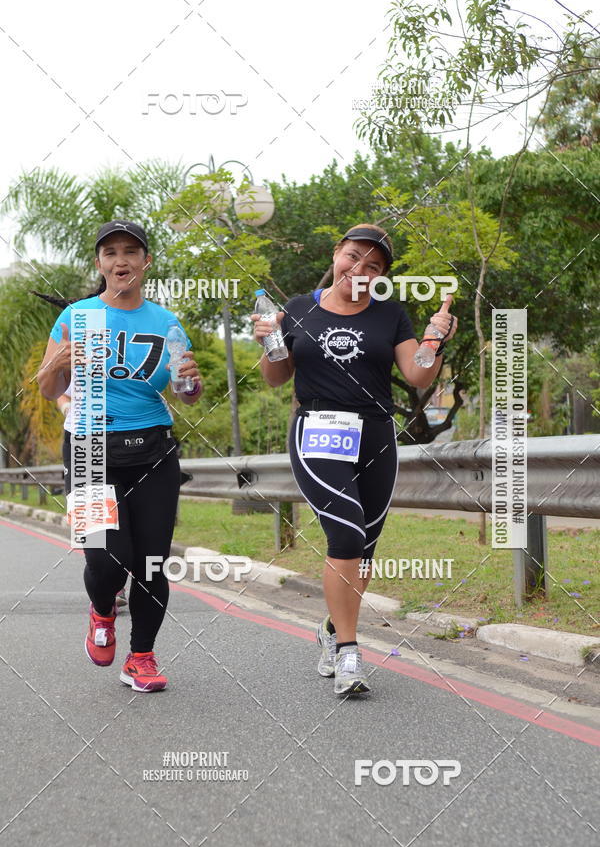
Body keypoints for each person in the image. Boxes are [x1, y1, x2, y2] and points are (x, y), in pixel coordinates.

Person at [251, 224, 457, 696]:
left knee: (363, 545)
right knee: (344, 531)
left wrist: (434, 339)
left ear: (381, 275)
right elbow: (275, 378)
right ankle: (348, 650)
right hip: (318, 432)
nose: (359, 270)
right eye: (352, 257)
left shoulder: (390, 316)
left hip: (376, 436)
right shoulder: (299, 310)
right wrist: (268, 339)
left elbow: (418, 376)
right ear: (336, 255)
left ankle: (331, 628)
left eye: (373, 266)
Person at [37, 220, 202, 692]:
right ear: (100, 263)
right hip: (89, 448)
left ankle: (142, 658)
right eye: (111, 252)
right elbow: (49, 388)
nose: (121, 260)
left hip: (152, 448)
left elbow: (187, 393)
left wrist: (190, 379)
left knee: (151, 561)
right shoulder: (78, 316)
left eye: (131, 251)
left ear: (146, 262)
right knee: (108, 561)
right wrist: (58, 363)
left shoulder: (166, 323)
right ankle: (103, 610)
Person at [55, 383, 128, 609]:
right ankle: (108, 593)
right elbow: (60, 390)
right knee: (100, 536)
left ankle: (114, 581)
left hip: (132, 444)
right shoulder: (80, 350)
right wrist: (67, 407)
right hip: (86, 445)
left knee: (128, 533)